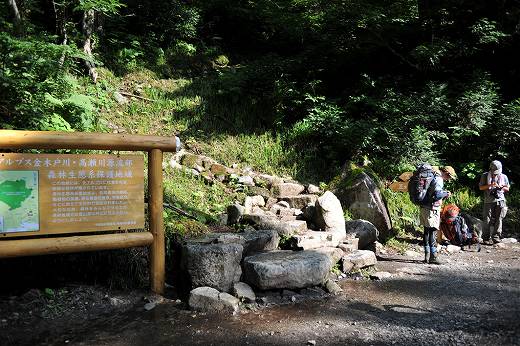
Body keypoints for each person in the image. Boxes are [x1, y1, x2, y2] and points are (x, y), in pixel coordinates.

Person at [420, 166, 456, 264]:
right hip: (432, 209)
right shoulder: (438, 179)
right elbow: (436, 195)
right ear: (446, 173)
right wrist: (446, 194)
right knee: (432, 232)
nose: (448, 180)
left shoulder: (432, 176)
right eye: (449, 178)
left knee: (426, 232)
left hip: (424, 207)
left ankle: (427, 256)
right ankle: (433, 257)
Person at [479, 160, 510, 244]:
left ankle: (496, 237)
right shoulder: (485, 176)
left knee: (499, 219)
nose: (495, 174)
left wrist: (501, 187)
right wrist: (491, 185)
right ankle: (485, 238)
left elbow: (507, 188)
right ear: (490, 169)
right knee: (487, 219)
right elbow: (481, 188)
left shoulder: (504, 176)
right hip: (488, 201)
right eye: (494, 172)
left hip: (500, 200)